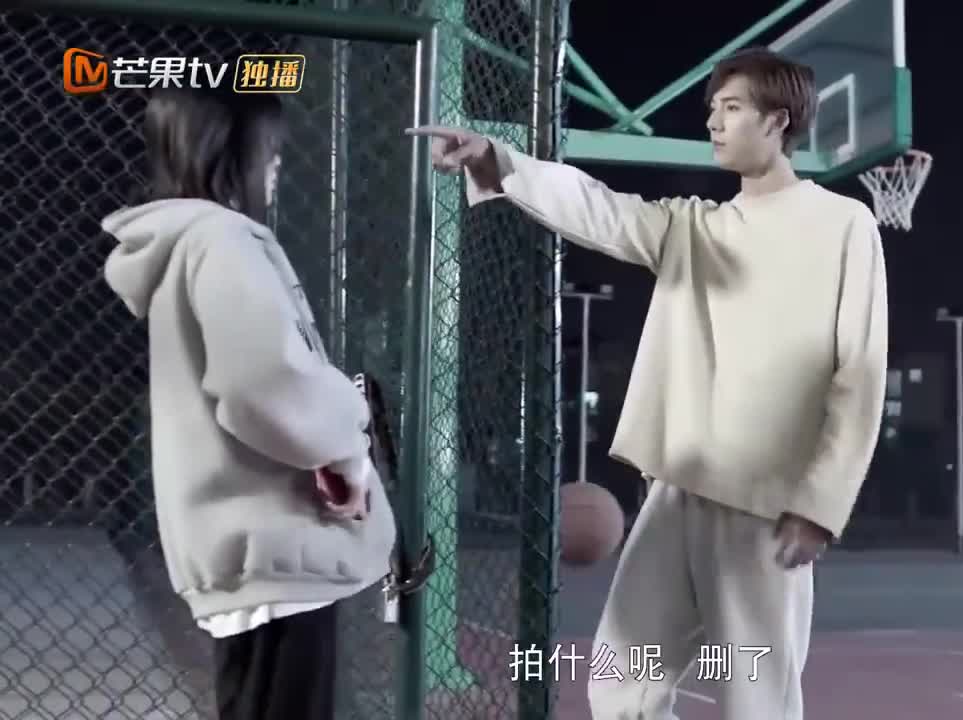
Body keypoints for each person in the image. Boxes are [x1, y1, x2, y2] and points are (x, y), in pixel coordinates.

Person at [409, 46, 888, 719]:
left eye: (732, 108)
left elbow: (859, 374)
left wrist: (819, 503)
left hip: (765, 504)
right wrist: (498, 159)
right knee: (622, 687)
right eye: (713, 109)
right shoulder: (695, 227)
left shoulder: (844, 224)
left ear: (778, 120)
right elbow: (599, 208)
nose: (713, 122)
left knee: (757, 700)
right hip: (677, 489)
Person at [101, 87, 397, 720]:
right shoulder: (226, 241)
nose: (277, 167)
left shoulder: (184, 245)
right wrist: (349, 448)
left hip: (242, 546)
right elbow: (264, 385)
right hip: (275, 545)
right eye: (269, 153)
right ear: (229, 154)